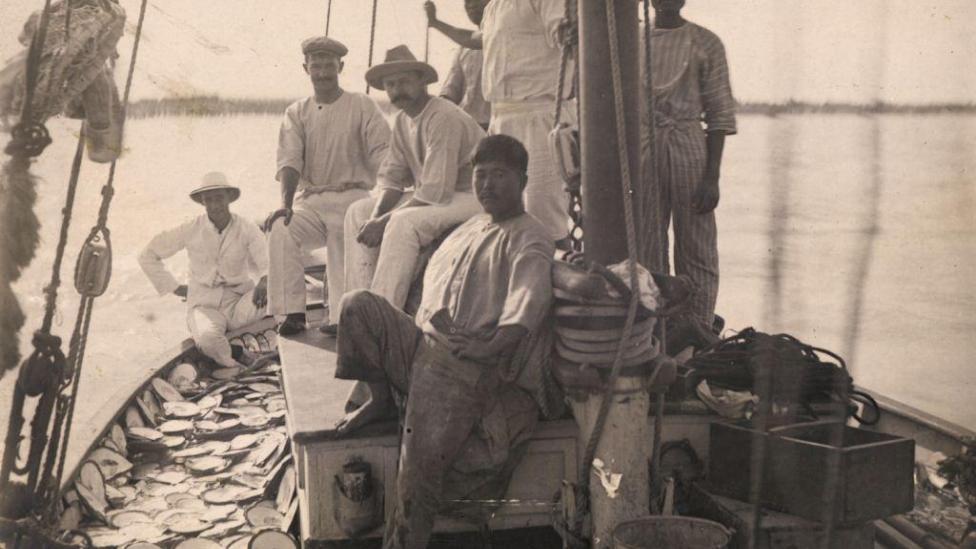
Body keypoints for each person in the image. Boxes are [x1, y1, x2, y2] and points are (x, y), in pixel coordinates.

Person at [336, 135, 554, 549]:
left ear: (523, 180)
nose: (487, 185)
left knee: (416, 472)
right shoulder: (470, 226)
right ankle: (380, 399)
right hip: (423, 344)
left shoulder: (530, 237)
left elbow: (529, 302)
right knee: (357, 306)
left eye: (499, 176)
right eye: (480, 175)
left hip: (463, 366)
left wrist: (488, 349)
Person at [265, 36, 391, 336]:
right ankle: (293, 313)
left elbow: (383, 154)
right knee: (281, 228)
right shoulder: (297, 112)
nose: (322, 72)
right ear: (305, 68)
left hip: (353, 196)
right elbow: (289, 161)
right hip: (311, 200)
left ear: (341, 67)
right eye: (316, 65)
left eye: (329, 66)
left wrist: (390, 194)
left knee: (342, 240)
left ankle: (342, 316)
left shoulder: (361, 104)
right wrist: (285, 205)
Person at [343, 45, 486, 311]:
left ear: (422, 81)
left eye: (405, 82)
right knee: (357, 212)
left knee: (402, 222)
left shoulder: (442, 116)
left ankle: (385, 316)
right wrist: (375, 218)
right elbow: (392, 179)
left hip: (473, 196)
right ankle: (358, 308)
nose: (398, 91)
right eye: (391, 85)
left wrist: (385, 221)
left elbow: (435, 191)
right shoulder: (401, 121)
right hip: (442, 196)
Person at [424, 0, 576, 246]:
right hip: (502, 115)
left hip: (539, 113)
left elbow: (566, 33)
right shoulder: (495, 6)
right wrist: (437, 23)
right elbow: (477, 38)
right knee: (502, 209)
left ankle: (553, 275)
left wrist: (568, 34)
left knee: (543, 209)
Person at [642, 0, 736, 333]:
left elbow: (720, 115)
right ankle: (656, 329)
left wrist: (712, 177)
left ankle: (697, 327)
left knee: (697, 245)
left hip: (689, 144)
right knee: (647, 241)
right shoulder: (634, 41)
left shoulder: (705, 41)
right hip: (644, 146)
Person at [138, 172, 269, 368]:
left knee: (280, 291)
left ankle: (278, 341)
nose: (215, 205)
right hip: (204, 306)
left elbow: (267, 258)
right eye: (209, 200)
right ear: (202, 202)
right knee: (207, 340)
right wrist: (174, 287)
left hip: (241, 302)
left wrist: (265, 279)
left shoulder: (247, 227)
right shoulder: (190, 228)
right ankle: (236, 354)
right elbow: (147, 255)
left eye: (219, 198)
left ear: (228, 198)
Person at [436, 0, 491, 129]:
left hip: (498, 124)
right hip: (467, 127)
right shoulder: (464, 49)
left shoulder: (508, 39)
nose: (471, 5)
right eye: (467, 1)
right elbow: (451, 89)